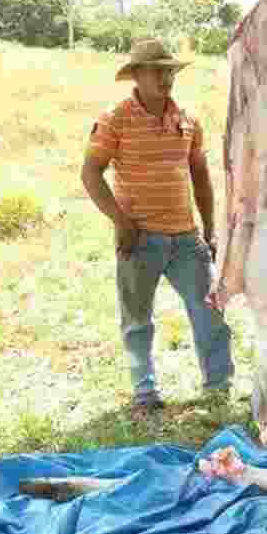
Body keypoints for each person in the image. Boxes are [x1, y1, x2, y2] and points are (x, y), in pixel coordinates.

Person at [81, 38, 234, 411]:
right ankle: (145, 393)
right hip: (140, 238)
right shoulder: (114, 119)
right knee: (137, 320)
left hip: (186, 238)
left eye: (169, 71)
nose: (165, 78)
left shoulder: (187, 120)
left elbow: (200, 176)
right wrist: (120, 221)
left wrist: (210, 229)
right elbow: (90, 173)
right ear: (136, 75)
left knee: (211, 312)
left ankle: (218, 389)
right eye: (156, 71)